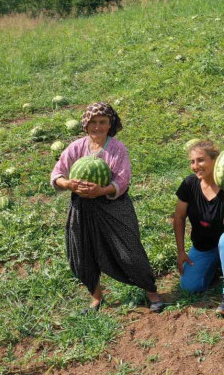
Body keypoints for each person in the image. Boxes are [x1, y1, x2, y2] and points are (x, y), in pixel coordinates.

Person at [50, 102, 164, 313]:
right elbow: (57, 174)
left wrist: (100, 191)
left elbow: (123, 180)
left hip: (113, 208)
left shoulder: (117, 149)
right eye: (92, 122)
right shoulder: (76, 147)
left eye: (102, 122)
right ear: (85, 124)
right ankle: (96, 298)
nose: (97, 127)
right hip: (81, 208)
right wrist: (69, 184)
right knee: (82, 251)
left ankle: (152, 293)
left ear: (110, 124)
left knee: (129, 251)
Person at [171, 140, 224, 316]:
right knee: (190, 285)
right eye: (192, 161)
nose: (196, 166)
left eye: (201, 160)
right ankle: (222, 263)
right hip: (205, 246)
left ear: (215, 161)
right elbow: (179, 217)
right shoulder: (189, 184)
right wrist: (181, 252)